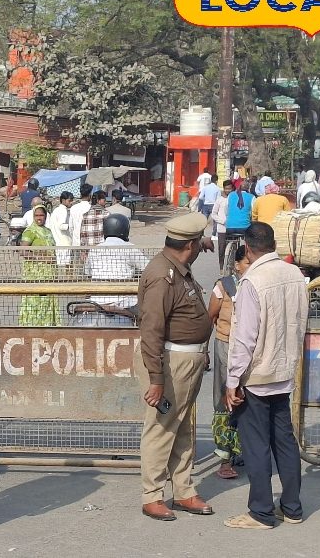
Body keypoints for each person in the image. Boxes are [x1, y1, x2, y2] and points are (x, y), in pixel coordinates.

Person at [223, 223, 308, 530]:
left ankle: (261, 512)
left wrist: (233, 381)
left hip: (257, 375)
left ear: (247, 246)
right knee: (284, 441)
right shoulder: (295, 274)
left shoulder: (252, 282)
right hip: (283, 371)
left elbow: (244, 338)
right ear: (273, 243)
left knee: (256, 445)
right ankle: (292, 507)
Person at [137, 212, 215, 522]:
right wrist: (156, 378)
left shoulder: (178, 267)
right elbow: (151, 329)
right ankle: (152, 495)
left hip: (187, 359)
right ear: (191, 245)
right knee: (161, 427)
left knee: (182, 427)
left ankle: (183, 490)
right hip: (170, 362)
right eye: (199, 243)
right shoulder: (162, 274)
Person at [207, 245, 250, 481]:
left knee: (246, 400)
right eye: (246, 263)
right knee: (224, 400)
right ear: (236, 264)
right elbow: (210, 316)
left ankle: (242, 449)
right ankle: (224, 458)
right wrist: (205, 350)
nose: (249, 268)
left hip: (250, 349)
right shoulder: (224, 286)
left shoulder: (257, 285)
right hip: (226, 347)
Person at [83, 213, 149, 328]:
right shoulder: (129, 248)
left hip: (97, 300)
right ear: (125, 230)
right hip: (123, 302)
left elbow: (88, 273)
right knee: (147, 315)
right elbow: (149, 269)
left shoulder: (95, 250)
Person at [18, 205, 58, 326]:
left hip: (49, 273)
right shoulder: (30, 231)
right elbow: (23, 251)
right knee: (35, 299)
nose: (39, 218)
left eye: (41, 215)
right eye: (36, 215)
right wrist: (41, 258)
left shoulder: (48, 231)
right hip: (35, 273)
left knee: (47, 299)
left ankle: (47, 323)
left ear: (46, 216)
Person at [221, 180, 254, 263]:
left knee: (230, 239)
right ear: (248, 188)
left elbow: (226, 209)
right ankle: (248, 257)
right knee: (249, 240)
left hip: (230, 226)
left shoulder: (231, 195)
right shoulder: (252, 197)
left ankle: (228, 256)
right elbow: (254, 212)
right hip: (244, 227)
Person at [46, 191, 75, 267]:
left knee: (61, 266)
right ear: (63, 200)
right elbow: (61, 226)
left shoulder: (56, 211)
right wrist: (72, 226)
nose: (71, 203)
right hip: (65, 243)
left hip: (58, 242)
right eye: (69, 200)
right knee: (68, 267)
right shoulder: (63, 210)